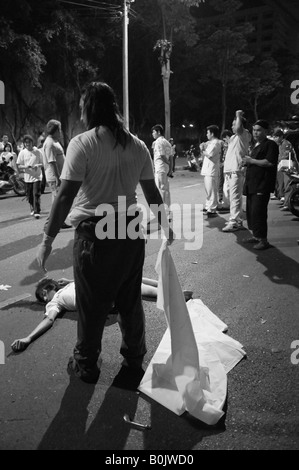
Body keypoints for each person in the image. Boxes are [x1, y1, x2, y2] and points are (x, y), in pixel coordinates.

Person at [36, 81, 174, 384]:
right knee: (129, 300)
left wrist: (48, 238)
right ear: (114, 108)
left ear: (88, 109)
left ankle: (86, 364)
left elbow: (64, 195)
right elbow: (151, 193)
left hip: (96, 234)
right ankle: (134, 361)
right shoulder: (137, 145)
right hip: (129, 231)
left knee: (91, 303)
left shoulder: (82, 143)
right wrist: (167, 224)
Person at [11, 277, 193, 353]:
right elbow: (49, 319)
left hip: (99, 290)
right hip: (99, 299)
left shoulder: (67, 286)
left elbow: (83, 278)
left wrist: (69, 280)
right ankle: (173, 294)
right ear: (45, 292)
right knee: (129, 285)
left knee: (130, 277)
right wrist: (28, 338)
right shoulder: (54, 302)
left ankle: (167, 286)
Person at [242, 120, 279, 250]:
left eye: (258, 130)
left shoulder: (271, 145)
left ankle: (263, 240)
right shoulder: (256, 145)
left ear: (265, 131)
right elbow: (254, 162)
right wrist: (246, 163)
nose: (255, 133)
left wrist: (251, 160)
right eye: (254, 130)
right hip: (252, 184)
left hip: (262, 184)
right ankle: (256, 236)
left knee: (259, 213)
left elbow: (269, 162)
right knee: (251, 213)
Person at [222, 110, 252, 232]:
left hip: (236, 171)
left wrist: (238, 115)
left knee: (235, 197)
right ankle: (238, 219)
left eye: (234, 124)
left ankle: (234, 221)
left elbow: (239, 127)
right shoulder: (234, 137)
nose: (232, 126)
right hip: (229, 171)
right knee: (232, 196)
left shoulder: (244, 134)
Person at [42, 119, 71, 229]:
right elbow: (52, 162)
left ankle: (59, 222)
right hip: (55, 177)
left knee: (58, 200)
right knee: (57, 201)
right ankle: (48, 224)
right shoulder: (49, 143)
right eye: (59, 129)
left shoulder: (54, 141)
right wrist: (58, 178)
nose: (60, 131)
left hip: (59, 176)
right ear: (54, 130)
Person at [16, 134, 43, 218]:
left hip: (37, 176)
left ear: (32, 142)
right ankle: (32, 207)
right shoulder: (22, 152)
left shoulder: (37, 151)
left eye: (29, 142)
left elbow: (42, 164)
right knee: (29, 195)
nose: (27, 144)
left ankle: (37, 211)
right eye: (26, 143)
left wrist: (37, 166)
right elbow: (18, 165)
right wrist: (25, 167)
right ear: (24, 144)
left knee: (36, 193)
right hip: (27, 178)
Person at [272, 129, 297, 211]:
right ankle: (286, 202)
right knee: (284, 185)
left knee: (288, 185)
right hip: (284, 167)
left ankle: (287, 204)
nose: (274, 139)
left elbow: (286, 155)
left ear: (281, 136)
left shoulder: (285, 144)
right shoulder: (280, 144)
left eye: (276, 137)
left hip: (289, 167)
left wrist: (277, 159)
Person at [200, 125, 222, 217]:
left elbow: (209, 155)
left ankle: (212, 209)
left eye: (208, 133)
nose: (206, 134)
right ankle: (208, 206)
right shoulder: (211, 142)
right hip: (208, 169)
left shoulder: (215, 143)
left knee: (212, 190)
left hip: (212, 170)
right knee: (208, 189)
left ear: (212, 133)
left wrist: (203, 149)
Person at [151, 124, 172, 218]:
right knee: (165, 190)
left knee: (161, 190)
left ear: (158, 132)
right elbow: (171, 156)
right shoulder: (167, 142)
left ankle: (163, 212)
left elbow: (162, 156)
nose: (152, 134)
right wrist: (170, 168)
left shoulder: (158, 142)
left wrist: (166, 163)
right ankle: (167, 211)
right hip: (165, 169)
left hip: (160, 168)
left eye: (154, 132)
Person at [218, 129, 232, 210]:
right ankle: (224, 201)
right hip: (225, 167)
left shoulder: (231, 145)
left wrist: (224, 163)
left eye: (224, 139)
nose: (224, 141)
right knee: (224, 185)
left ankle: (226, 204)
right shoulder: (226, 145)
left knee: (227, 187)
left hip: (229, 168)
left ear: (227, 137)